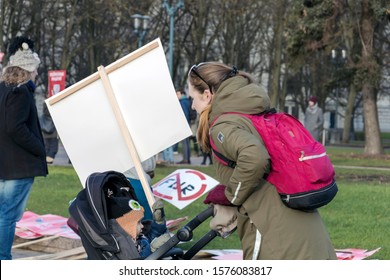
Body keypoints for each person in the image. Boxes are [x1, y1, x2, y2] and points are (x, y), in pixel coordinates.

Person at [187, 62, 336, 260]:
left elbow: (254, 157)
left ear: (207, 95)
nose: (192, 106)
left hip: (272, 233)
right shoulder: (254, 113)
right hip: (306, 228)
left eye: (193, 98)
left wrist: (232, 195)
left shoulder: (223, 125)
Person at [0, 36, 48, 260]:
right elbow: (15, 128)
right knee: (7, 216)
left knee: (3, 214)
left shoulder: (3, 89)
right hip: (18, 166)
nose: (37, 73)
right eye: (35, 69)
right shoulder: (21, 92)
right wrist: (39, 147)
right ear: (27, 70)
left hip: (5, 165)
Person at [175, 88, 191, 164]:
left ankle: (185, 160)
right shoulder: (187, 101)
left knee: (184, 143)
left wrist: (183, 125)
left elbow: (185, 114)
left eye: (177, 94)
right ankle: (187, 159)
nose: (176, 96)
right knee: (187, 143)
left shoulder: (183, 102)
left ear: (182, 94)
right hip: (188, 124)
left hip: (184, 125)